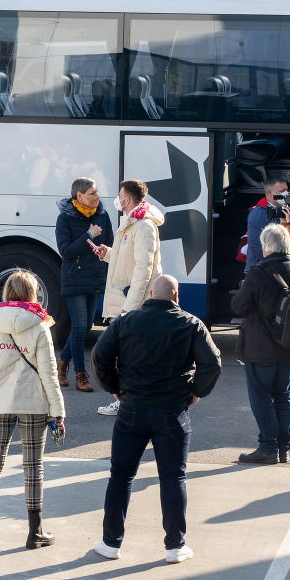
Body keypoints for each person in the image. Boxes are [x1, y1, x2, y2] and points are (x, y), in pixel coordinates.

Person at [90, 275, 221, 564]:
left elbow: (99, 355)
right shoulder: (191, 324)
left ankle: (111, 544)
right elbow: (212, 363)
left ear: (151, 293)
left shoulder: (126, 321)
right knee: (173, 478)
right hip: (172, 412)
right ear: (176, 297)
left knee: (121, 477)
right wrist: (195, 393)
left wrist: (115, 388)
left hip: (131, 410)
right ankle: (175, 546)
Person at [0, 270, 65, 551]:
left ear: (6, 293)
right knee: (33, 468)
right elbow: (49, 374)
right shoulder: (40, 326)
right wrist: (57, 410)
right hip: (33, 404)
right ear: (31, 294)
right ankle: (35, 533)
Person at [231, 224, 290, 464]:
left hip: (261, 349)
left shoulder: (258, 272)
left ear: (266, 247)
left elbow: (238, 306)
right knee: (283, 396)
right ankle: (283, 449)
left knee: (262, 398)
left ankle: (267, 448)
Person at [92, 179, 165, 417]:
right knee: (127, 356)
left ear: (127, 199)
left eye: (120, 194)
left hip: (131, 305)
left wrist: (129, 309)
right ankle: (128, 400)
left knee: (129, 357)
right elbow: (129, 260)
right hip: (127, 303)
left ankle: (127, 402)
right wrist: (108, 255)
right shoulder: (134, 223)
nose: (118, 198)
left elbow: (143, 270)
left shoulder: (143, 225)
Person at [54, 177, 113, 393]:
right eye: (92, 193)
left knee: (86, 326)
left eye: (97, 192)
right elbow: (66, 252)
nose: (97, 197)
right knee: (78, 327)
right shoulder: (65, 219)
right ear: (79, 196)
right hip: (74, 278)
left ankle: (61, 363)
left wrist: (103, 249)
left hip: (95, 276)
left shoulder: (102, 215)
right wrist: (89, 235)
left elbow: (110, 244)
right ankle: (80, 374)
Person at [244, 174, 289, 275]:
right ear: (269, 193)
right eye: (282, 191)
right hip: (261, 270)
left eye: (286, 190)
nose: (285, 194)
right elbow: (255, 246)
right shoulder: (259, 212)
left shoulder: (285, 209)